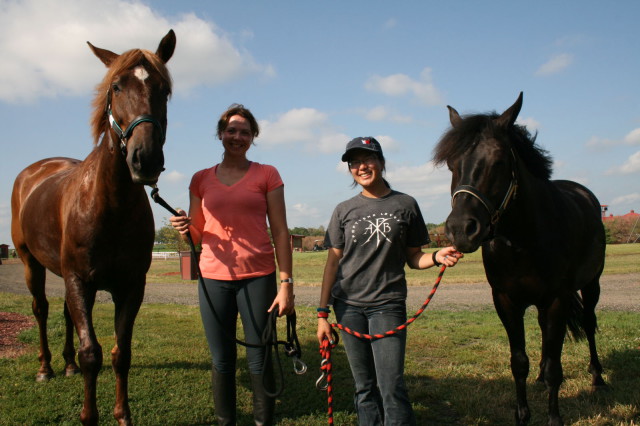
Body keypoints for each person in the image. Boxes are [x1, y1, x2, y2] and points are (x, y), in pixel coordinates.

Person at [316, 137, 463, 425]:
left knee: (391, 386)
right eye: (354, 162)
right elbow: (332, 263)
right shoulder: (343, 210)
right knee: (364, 387)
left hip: (387, 305)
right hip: (348, 307)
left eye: (368, 159)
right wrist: (323, 314)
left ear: (382, 163)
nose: (362, 166)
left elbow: (414, 257)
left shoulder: (406, 204)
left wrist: (436, 257)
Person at [170, 104, 294, 425]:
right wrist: (186, 229)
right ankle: (227, 421)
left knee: (259, 354)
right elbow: (196, 237)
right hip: (213, 277)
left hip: (259, 277)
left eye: (245, 132)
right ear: (220, 134)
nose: (237, 137)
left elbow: (280, 230)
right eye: (231, 131)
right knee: (222, 358)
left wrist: (286, 284)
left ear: (253, 137)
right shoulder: (200, 179)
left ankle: (262, 421)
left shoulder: (267, 174)